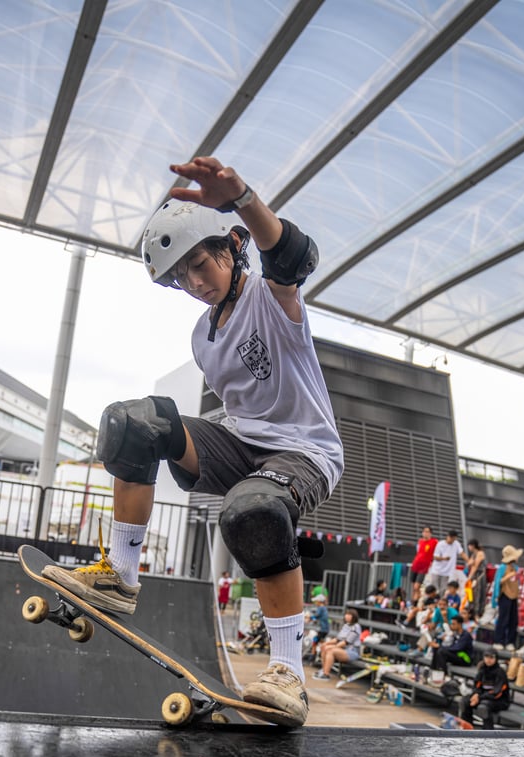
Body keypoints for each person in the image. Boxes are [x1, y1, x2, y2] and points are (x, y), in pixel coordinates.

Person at [42, 156, 343, 727]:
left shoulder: (271, 298)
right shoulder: (202, 336)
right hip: (242, 446)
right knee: (134, 422)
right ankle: (121, 576)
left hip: (307, 452)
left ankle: (288, 674)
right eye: (182, 277)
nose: (196, 284)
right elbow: (239, 410)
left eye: (201, 265)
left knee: (252, 511)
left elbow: (293, 255)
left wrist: (243, 198)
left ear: (232, 246)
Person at [458, 650, 510, 729]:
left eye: (491, 657)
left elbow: (497, 693)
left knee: (483, 707)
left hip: (499, 700)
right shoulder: (482, 670)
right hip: (483, 697)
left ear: (496, 659)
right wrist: (476, 694)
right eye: (486, 657)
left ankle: (488, 732)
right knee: (464, 701)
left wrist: (479, 697)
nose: (488, 660)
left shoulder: (500, 672)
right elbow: (476, 685)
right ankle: (467, 729)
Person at [314, 608, 362, 680]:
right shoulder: (346, 625)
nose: (347, 616)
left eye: (349, 615)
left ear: (354, 616)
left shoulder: (356, 626)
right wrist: (325, 643)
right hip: (342, 649)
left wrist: (334, 647)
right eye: (346, 614)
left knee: (331, 650)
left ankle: (326, 674)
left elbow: (346, 642)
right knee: (324, 647)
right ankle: (323, 670)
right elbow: (337, 639)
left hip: (352, 652)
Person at [491, 544, 522, 650]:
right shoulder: (502, 568)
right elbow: (497, 582)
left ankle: (510, 641)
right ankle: (498, 640)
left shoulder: (516, 568)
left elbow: (518, 583)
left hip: (514, 596)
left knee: (513, 620)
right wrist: (508, 576)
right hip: (505, 595)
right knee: (503, 619)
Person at [409, 526, 437, 603]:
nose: (425, 533)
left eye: (427, 532)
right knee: (414, 586)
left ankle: (416, 602)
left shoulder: (434, 542)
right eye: (424, 531)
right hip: (416, 564)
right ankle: (413, 601)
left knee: (417, 586)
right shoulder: (420, 541)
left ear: (430, 533)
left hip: (424, 567)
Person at [430, 530, 463, 595]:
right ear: (448, 536)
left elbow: (462, 553)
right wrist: (444, 558)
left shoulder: (456, 544)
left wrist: (468, 560)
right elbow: (435, 557)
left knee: (443, 590)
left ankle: (441, 600)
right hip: (437, 570)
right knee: (434, 589)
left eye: (454, 539)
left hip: (446, 572)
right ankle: (434, 600)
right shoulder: (440, 544)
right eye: (451, 538)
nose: (452, 540)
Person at [465, 538, 487, 619]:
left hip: (479, 575)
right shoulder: (473, 554)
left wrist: (470, 577)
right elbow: (469, 563)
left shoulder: (480, 553)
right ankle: (471, 611)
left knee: (478, 594)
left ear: (473, 546)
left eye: (469, 546)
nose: (469, 547)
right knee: (471, 594)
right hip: (473, 575)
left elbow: (475, 566)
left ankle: (477, 613)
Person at [305, 593, 330, 662]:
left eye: (316, 601)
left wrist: (309, 617)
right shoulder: (324, 608)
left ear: (319, 601)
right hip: (324, 629)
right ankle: (315, 656)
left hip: (323, 629)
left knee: (315, 640)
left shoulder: (321, 608)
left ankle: (313, 656)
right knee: (318, 641)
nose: (315, 603)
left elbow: (317, 616)